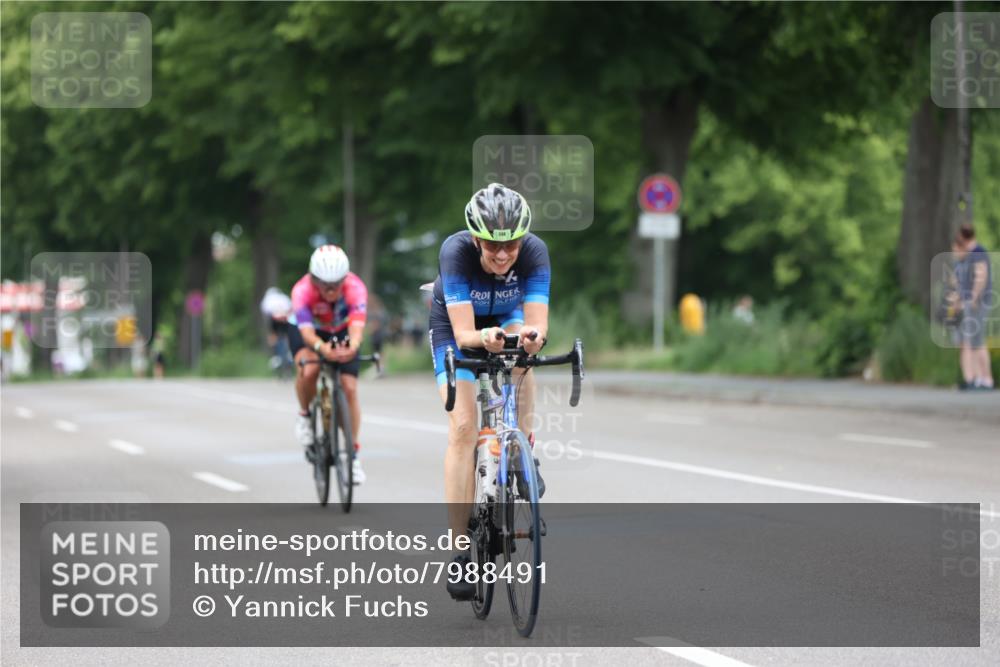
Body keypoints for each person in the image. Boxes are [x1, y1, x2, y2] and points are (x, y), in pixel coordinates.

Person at [428, 183, 550, 600]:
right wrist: (485, 337)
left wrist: (532, 339)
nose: (502, 255)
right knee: (463, 428)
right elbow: (464, 334)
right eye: (493, 246)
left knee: (524, 357)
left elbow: (536, 324)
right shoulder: (455, 252)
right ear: (476, 238)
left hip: (506, 317)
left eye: (511, 245)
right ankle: (460, 550)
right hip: (456, 329)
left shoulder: (535, 253)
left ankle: (523, 449)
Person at [289, 245, 369, 482]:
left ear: (345, 278)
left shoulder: (355, 287)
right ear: (314, 280)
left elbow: (357, 327)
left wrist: (352, 347)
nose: (332, 289)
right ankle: (304, 414)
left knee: (350, 387)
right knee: (309, 368)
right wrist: (322, 349)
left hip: (341, 329)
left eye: (337, 283)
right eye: (325, 284)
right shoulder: (302, 291)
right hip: (310, 332)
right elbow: (306, 334)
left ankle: (352, 456)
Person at [954, 224, 994, 390]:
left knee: (977, 340)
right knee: (971, 341)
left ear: (963, 236)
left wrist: (974, 298)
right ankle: (977, 379)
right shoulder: (967, 255)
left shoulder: (978, 252)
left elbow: (981, 276)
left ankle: (986, 379)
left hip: (977, 302)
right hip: (969, 303)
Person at [259, 287, 293, 376]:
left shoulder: (267, 299)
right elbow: (291, 309)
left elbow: (266, 315)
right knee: (287, 336)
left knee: (273, 336)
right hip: (286, 318)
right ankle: (289, 353)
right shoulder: (283, 297)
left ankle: (275, 356)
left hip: (274, 319)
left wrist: (270, 332)